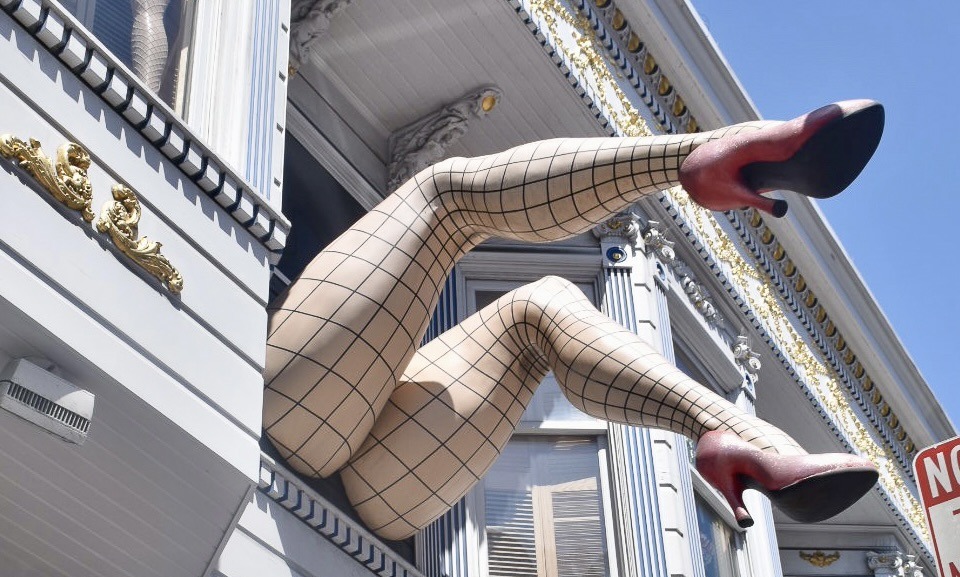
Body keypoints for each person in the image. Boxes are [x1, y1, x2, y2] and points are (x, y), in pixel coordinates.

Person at [263, 100, 884, 541]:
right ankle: (746, 437)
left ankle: (702, 156)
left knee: (498, 258)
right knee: (458, 210)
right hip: (390, 489)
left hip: (305, 418)